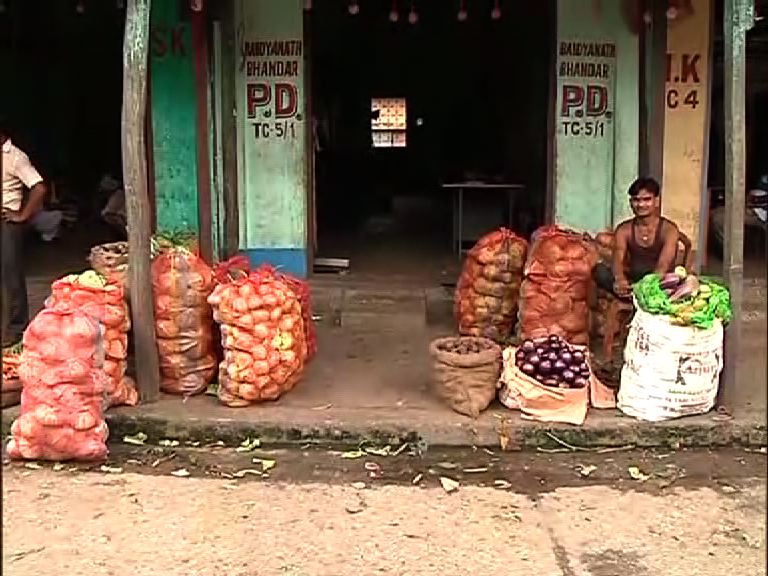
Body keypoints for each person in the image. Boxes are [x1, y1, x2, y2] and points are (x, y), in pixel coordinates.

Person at [593, 177, 682, 299]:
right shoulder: (624, 229)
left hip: (660, 283)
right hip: (633, 281)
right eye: (636, 200)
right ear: (630, 203)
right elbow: (618, 258)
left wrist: (646, 287)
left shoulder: (669, 230)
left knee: (678, 284)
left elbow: (663, 265)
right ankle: (631, 296)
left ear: (656, 201)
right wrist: (620, 279)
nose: (641, 205)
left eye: (647, 199)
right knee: (600, 271)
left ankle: (635, 297)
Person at [1, 118, 47, 345]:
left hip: (6, 222)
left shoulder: (16, 157)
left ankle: (17, 330)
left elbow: (39, 187)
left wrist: (22, 215)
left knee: (11, 277)